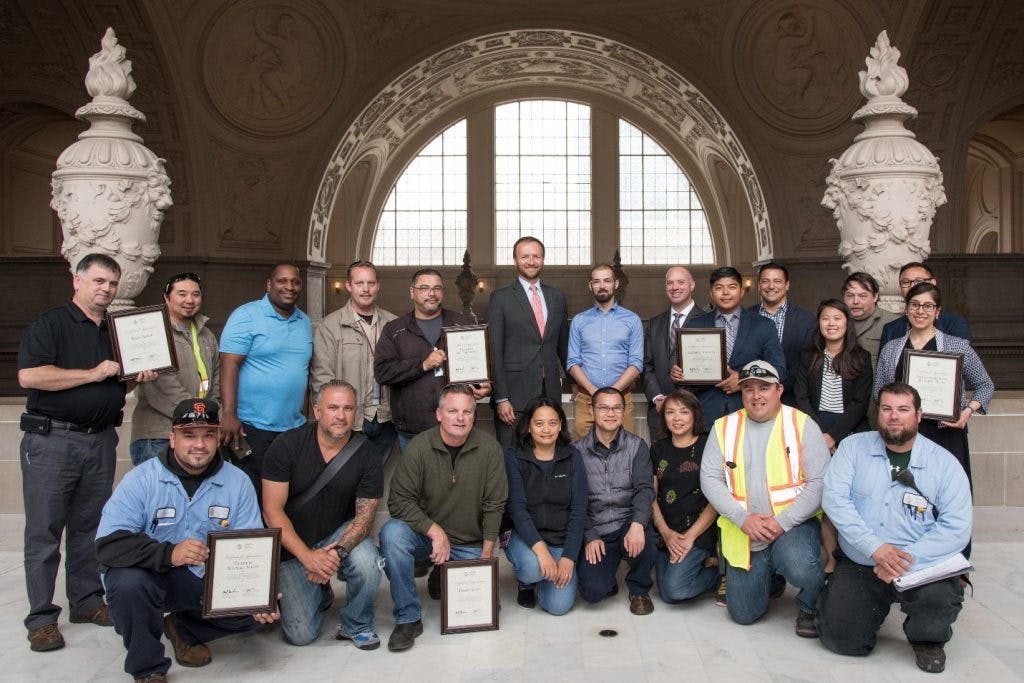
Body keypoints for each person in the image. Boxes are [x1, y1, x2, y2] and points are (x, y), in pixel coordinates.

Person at [17, 253, 157, 652]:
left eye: (112, 284)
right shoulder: (52, 324)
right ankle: (42, 617)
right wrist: (92, 373)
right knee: (44, 531)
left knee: (89, 527)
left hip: (99, 440)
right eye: (98, 281)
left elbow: (116, 387)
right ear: (77, 280)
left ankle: (86, 601)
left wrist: (134, 379)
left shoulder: (115, 330)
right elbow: (30, 375)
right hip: (53, 441)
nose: (106, 290)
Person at [96, 398, 279, 683]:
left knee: (262, 611)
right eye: (189, 435)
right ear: (172, 438)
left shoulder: (238, 482)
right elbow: (108, 545)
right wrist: (169, 553)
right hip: (150, 576)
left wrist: (257, 593)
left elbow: (249, 545)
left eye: (208, 435)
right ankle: (148, 667)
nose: (199, 444)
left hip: (202, 580)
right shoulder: (141, 480)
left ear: (219, 438)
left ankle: (183, 628)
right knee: (127, 585)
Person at [819, 382, 972, 674]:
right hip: (864, 560)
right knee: (842, 640)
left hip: (921, 565)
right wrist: (875, 548)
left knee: (937, 602)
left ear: (918, 414)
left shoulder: (945, 464)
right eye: (887, 408)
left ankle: (926, 638)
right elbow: (835, 501)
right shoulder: (852, 448)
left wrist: (902, 558)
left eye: (903, 409)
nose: (894, 416)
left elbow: (956, 527)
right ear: (878, 413)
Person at [700, 360, 828, 636]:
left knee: (800, 565)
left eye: (764, 388)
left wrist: (782, 522)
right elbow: (710, 479)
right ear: (741, 393)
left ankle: (809, 605)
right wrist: (742, 519)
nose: (756, 395)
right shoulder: (723, 427)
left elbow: (819, 483)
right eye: (749, 389)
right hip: (745, 529)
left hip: (792, 525)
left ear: (779, 390)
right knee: (744, 615)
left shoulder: (802, 424)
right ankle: (769, 574)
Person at [379, 383, 507, 652]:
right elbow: (398, 501)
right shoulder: (419, 447)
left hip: (468, 542)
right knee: (392, 534)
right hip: (428, 539)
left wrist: (486, 555)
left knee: (487, 609)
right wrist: (434, 531)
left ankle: (443, 572)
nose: (460, 418)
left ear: (474, 415)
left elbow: (495, 504)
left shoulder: (490, 449)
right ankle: (408, 617)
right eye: (452, 411)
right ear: (439, 414)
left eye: (467, 412)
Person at [262, 380, 384, 648]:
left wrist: (334, 555)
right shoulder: (287, 445)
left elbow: (364, 519)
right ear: (317, 411)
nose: (340, 416)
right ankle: (320, 591)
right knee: (301, 635)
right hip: (292, 547)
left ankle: (357, 623)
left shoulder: (368, 454)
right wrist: (308, 558)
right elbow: (272, 511)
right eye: (332, 407)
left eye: (348, 408)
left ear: (355, 413)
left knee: (368, 560)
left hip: (336, 537)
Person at [874, 283, 993, 493]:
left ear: (937, 311)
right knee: (904, 493)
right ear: (906, 309)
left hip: (946, 432)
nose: (921, 311)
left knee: (946, 492)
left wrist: (967, 411)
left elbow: (985, 385)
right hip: (904, 432)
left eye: (928, 306)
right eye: (915, 305)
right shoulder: (891, 348)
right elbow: (878, 392)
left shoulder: (957, 346)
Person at [794, 299, 872, 573]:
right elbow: (801, 397)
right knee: (825, 496)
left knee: (848, 495)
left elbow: (860, 403)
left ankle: (853, 554)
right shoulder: (808, 357)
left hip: (850, 430)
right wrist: (819, 435)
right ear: (819, 323)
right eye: (826, 318)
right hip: (814, 427)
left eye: (837, 318)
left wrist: (835, 436)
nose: (831, 324)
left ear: (846, 323)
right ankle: (830, 557)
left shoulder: (861, 358)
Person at [218, 262, 312, 487]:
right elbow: (228, 366)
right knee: (253, 492)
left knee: (288, 492)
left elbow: (304, 373)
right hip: (252, 428)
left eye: (295, 282)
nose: (289, 286)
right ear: (269, 284)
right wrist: (229, 413)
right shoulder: (246, 316)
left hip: (292, 429)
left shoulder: (305, 322)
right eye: (282, 281)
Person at [375, 268, 489, 451]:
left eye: (437, 288)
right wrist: (422, 365)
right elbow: (382, 373)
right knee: (416, 479)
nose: (432, 293)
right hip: (413, 429)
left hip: (457, 426)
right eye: (424, 288)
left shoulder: (462, 324)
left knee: (460, 479)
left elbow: (476, 367)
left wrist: (484, 386)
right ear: (412, 292)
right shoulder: (394, 330)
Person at [573, 387, 657, 615]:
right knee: (592, 592)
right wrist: (589, 536)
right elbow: (575, 502)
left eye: (616, 408)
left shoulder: (637, 446)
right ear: (591, 410)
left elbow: (644, 489)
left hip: (628, 522)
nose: (610, 413)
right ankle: (608, 577)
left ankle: (639, 588)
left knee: (647, 539)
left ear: (623, 411)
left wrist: (638, 524)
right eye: (603, 408)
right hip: (598, 528)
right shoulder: (575, 452)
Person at [503, 397, 587, 615]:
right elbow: (517, 509)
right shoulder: (514, 457)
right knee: (532, 568)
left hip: (559, 539)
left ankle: (544, 579)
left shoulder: (573, 457)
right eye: (539, 423)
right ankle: (527, 582)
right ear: (528, 427)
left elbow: (579, 511)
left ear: (560, 425)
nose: (546, 429)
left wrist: (569, 557)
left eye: (552, 423)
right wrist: (541, 551)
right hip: (524, 536)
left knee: (558, 607)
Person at [486, 236, 569, 450]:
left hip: (549, 392)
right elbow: (494, 351)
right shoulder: (500, 298)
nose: (531, 261)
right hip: (513, 398)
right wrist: (501, 398)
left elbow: (563, 346)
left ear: (543, 259)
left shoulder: (557, 297)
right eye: (525, 256)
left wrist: (575, 382)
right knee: (512, 458)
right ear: (515, 260)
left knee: (548, 456)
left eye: (536, 256)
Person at [311, 260, 398, 462]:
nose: (366, 289)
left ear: (378, 285)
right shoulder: (330, 326)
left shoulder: (393, 324)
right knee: (344, 480)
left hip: (385, 417)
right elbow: (322, 377)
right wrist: (330, 419)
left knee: (375, 479)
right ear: (349, 286)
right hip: (350, 419)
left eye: (371, 283)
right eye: (359, 283)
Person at [130, 272, 220, 465]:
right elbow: (164, 386)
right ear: (166, 298)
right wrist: (198, 417)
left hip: (198, 431)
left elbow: (216, 380)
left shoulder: (207, 335)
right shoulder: (152, 332)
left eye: (195, 294)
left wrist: (209, 416)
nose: (189, 300)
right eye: (182, 294)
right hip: (158, 436)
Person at [684, 266, 786, 425]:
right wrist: (680, 374)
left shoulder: (763, 325)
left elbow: (778, 369)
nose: (725, 293)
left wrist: (743, 379)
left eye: (732, 287)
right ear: (711, 294)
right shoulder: (695, 325)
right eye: (719, 288)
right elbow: (688, 378)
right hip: (705, 413)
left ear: (742, 291)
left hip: (750, 412)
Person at [650, 390, 719, 603]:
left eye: (683, 412)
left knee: (674, 591)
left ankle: (718, 574)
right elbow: (651, 495)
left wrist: (689, 537)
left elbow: (717, 498)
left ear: (694, 415)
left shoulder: (709, 445)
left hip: (699, 530)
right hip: (667, 531)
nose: (677, 418)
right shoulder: (658, 448)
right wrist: (665, 532)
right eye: (670, 412)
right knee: (664, 589)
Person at [566, 263, 644, 439]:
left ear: (616, 284)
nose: (602, 286)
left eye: (607, 281)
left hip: (621, 400)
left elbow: (636, 363)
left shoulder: (632, 320)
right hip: (586, 401)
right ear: (590, 286)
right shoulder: (579, 321)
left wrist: (612, 394)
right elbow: (572, 362)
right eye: (596, 281)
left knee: (625, 453)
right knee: (582, 456)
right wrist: (594, 391)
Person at [643, 266, 703, 442]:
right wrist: (657, 398)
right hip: (659, 412)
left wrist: (684, 401)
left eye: (680, 282)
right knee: (661, 466)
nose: (674, 287)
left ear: (692, 285)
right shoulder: (654, 323)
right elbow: (647, 365)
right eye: (670, 283)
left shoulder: (707, 321)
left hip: (693, 410)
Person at [751, 262, 815, 406]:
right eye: (765, 281)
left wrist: (775, 385)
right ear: (759, 285)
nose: (771, 286)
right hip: (752, 399)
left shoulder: (806, 320)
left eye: (777, 281)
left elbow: (806, 363)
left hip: (792, 399)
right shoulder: (746, 317)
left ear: (787, 285)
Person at [879, 262, 971, 348]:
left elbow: (961, 360)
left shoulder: (954, 323)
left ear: (933, 283)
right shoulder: (890, 329)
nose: (912, 287)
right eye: (906, 282)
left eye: (918, 281)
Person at [842, 271, 899, 369]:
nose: (855, 301)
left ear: (875, 297)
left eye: (862, 296)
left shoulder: (893, 323)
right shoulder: (835, 323)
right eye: (850, 296)